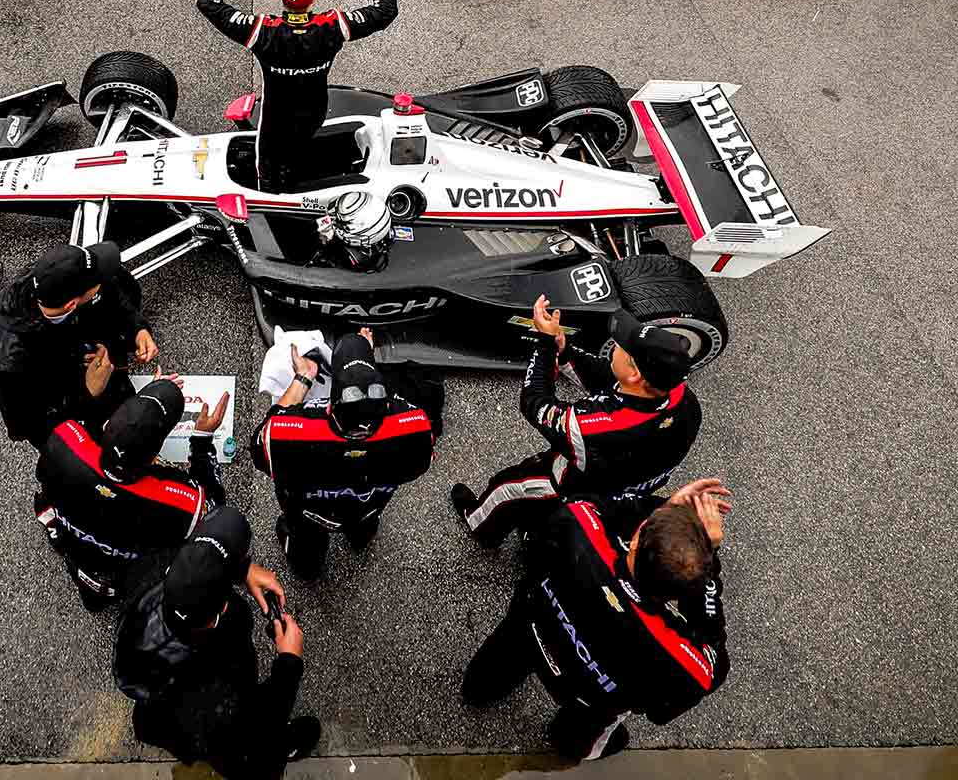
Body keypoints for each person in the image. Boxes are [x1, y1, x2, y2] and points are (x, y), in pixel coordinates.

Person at [462, 480, 732, 760]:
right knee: (580, 739)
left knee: (485, 679)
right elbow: (709, 665)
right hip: (592, 697)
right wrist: (708, 560)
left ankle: (478, 692)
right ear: (684, 592)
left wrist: (663, 508)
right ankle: (565, 743)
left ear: (637, 535)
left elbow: (589, 503)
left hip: (530, 631)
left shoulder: (577, 530)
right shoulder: (678, 659)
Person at [450, 295, 702, 546]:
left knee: (506, 488)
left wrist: (545, 344)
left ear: (636, 373)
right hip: (625, 489)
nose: (615, 345)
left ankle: (480, 527)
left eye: (622, 346)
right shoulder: (684, 400)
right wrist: (564, 350)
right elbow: (609, 378)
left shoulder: (597, 427)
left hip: (573, 485)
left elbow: (535, 403)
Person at [115, 504, 320, 778]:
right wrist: (289, 663)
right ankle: (283, 746)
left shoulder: (146, 573)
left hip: (158, 709)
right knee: (244, 755)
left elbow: (188, 555)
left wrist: (243, 569)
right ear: (220, 611)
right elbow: (260, 763)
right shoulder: (214, 699)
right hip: (212, 734)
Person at [197, 0, 396, 192]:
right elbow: (387, 9)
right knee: (302, 145)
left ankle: (272, 202)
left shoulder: (262, 31)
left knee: (267, 173)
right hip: (314, 112)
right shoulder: (332, 27)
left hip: (274, 121)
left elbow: (208, 3)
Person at [250, 329, 439, 579]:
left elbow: (260, 443)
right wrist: (364, 358)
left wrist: (304, 378)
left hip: (310, 514)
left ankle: (308, 570)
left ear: (329, 406)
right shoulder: (417, 432)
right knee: (364, 527)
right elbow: (422, 459)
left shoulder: (288, 436)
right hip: (367, 508)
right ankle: (360, 540)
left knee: (306, 550)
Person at [35, 375, 230, 610]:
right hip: (131, 571)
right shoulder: (178, 502)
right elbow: (216, 512)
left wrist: (143, 404)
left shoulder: (63, 439)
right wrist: (202, 440)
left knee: (92, 593)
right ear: (153, 456)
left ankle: (93, 594)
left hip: (79, 551)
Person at [0, 241, 158, 448]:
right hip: (75, 408)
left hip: (97, 373)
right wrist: (89, 391)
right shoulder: (7, 364)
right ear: (71, 304)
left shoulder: (55, 278)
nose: (103, 279)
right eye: (97, 281)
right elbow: (30, 426)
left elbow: (115, 295)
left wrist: (137, 329)